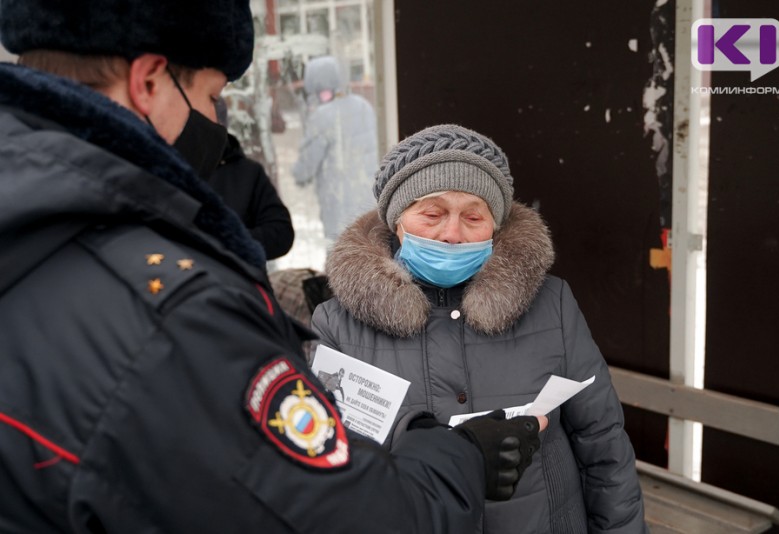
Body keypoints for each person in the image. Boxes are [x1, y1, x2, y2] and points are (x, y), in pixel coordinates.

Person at [0, 2, 546, 532]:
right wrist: (457, 457)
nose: (215, 118)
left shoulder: (35, 234)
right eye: (212, 95)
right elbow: (350, 516)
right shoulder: (177, 313)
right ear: (147, 82)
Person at [312, 124, 649, 533]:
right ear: (397, 222)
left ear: (496, 225)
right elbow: (326, 466)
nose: (452, 234)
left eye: (473, 216)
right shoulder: (338, 324)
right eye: (432, 214)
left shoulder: (552, 305)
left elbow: (604, 443)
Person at [292, 55, 378, 245]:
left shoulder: (322, 116)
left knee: (340, 258)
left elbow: (305, 168)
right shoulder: (364, 106)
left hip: (339, 206)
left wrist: (296, 173)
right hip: (369, 200)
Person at [212, 98, 295, 260]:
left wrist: (230, 241)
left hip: (236, 281)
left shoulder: (248, 173)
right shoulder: (167, 169)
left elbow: (281, 234)